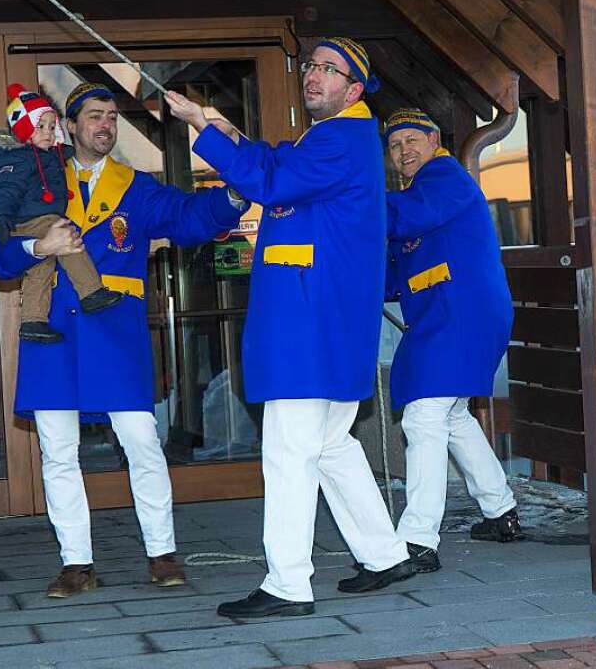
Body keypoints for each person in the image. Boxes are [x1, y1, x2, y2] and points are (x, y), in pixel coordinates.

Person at [164, 37, 415, 620]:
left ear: (354, 90)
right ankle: (383, 553)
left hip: (310, 317)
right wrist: (224, 130)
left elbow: (270, 183)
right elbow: (278, 165)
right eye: (311, 66)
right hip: (322, 317)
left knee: (287, 449)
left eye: (330, 70)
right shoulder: (337, 138)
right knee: (328, 444)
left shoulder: (342, 137)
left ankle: (287, 584)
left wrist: (205, 131)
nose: (314, 75)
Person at [0, 81, 246, 598]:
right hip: (50, 329)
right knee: (58, 451)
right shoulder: (32, 171)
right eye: (95, 116)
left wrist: (233, 196)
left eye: (112, 116)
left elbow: (189, 219)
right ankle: (76, 563)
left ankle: (162, 553)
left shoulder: (136, 186)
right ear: (71, 125)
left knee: (142, 443)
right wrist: (39, 245)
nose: (106, 125)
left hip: (113, 328)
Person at [383, 108, 521, 574]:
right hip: (450, 317)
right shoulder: (418, 191)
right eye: (396, 145)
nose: (404, 151)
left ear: (433, 140)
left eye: (411, 141)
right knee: (452, 414)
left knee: (424, 417)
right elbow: (393, 276)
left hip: (461, 315)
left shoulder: (444, 176)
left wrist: (351, 204)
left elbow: (404, 218)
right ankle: (500, 510)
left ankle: (418, 539)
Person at [0, 84, 120, 343]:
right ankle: (91, 292)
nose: (48, 133)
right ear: (23, 129)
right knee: (71, 245)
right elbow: (5, 192)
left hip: (40, 219)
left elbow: (62, 152)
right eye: (40, 126)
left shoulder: (48, 154)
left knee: (40, 270)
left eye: (52, 127)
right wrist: (1, 220)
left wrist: (65, 142)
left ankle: (33, 320)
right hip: (37, 219)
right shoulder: (19, 159)